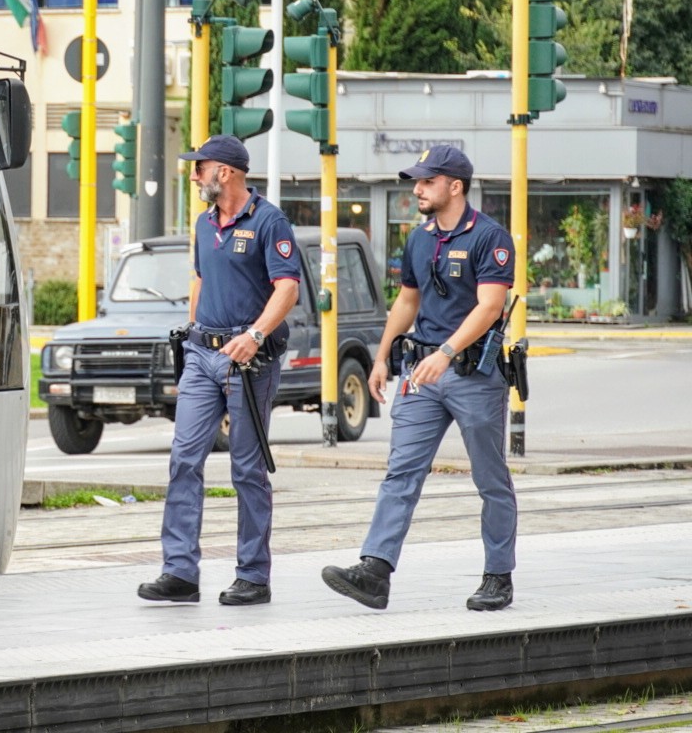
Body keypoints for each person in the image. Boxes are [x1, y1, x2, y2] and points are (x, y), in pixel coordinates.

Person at [322, 145, 517, 613]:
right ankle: (375, 571)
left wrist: (447, 353)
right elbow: (407, 300)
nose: (417, 189)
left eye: (427, 181)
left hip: (473, 372)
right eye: (418, 181)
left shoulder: (491, 237)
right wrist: (382, 354)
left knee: (490, 478)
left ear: (455, 186)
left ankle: (498, 575)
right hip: (421, 372)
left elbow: (490, 305)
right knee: (400, 472)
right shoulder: (419, 239)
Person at [138, 135, 300, 607]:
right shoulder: (204, 224)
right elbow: (201, 279)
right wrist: (192, 331)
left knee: (246, 468)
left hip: (248, 360)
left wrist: (253, 336)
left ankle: (253, 576)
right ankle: (180, 572)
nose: (192, 174)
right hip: (202, 355)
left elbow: (287, 289)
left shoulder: (270, 222)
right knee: (184, 459)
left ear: (223, 172)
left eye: (199, 167)